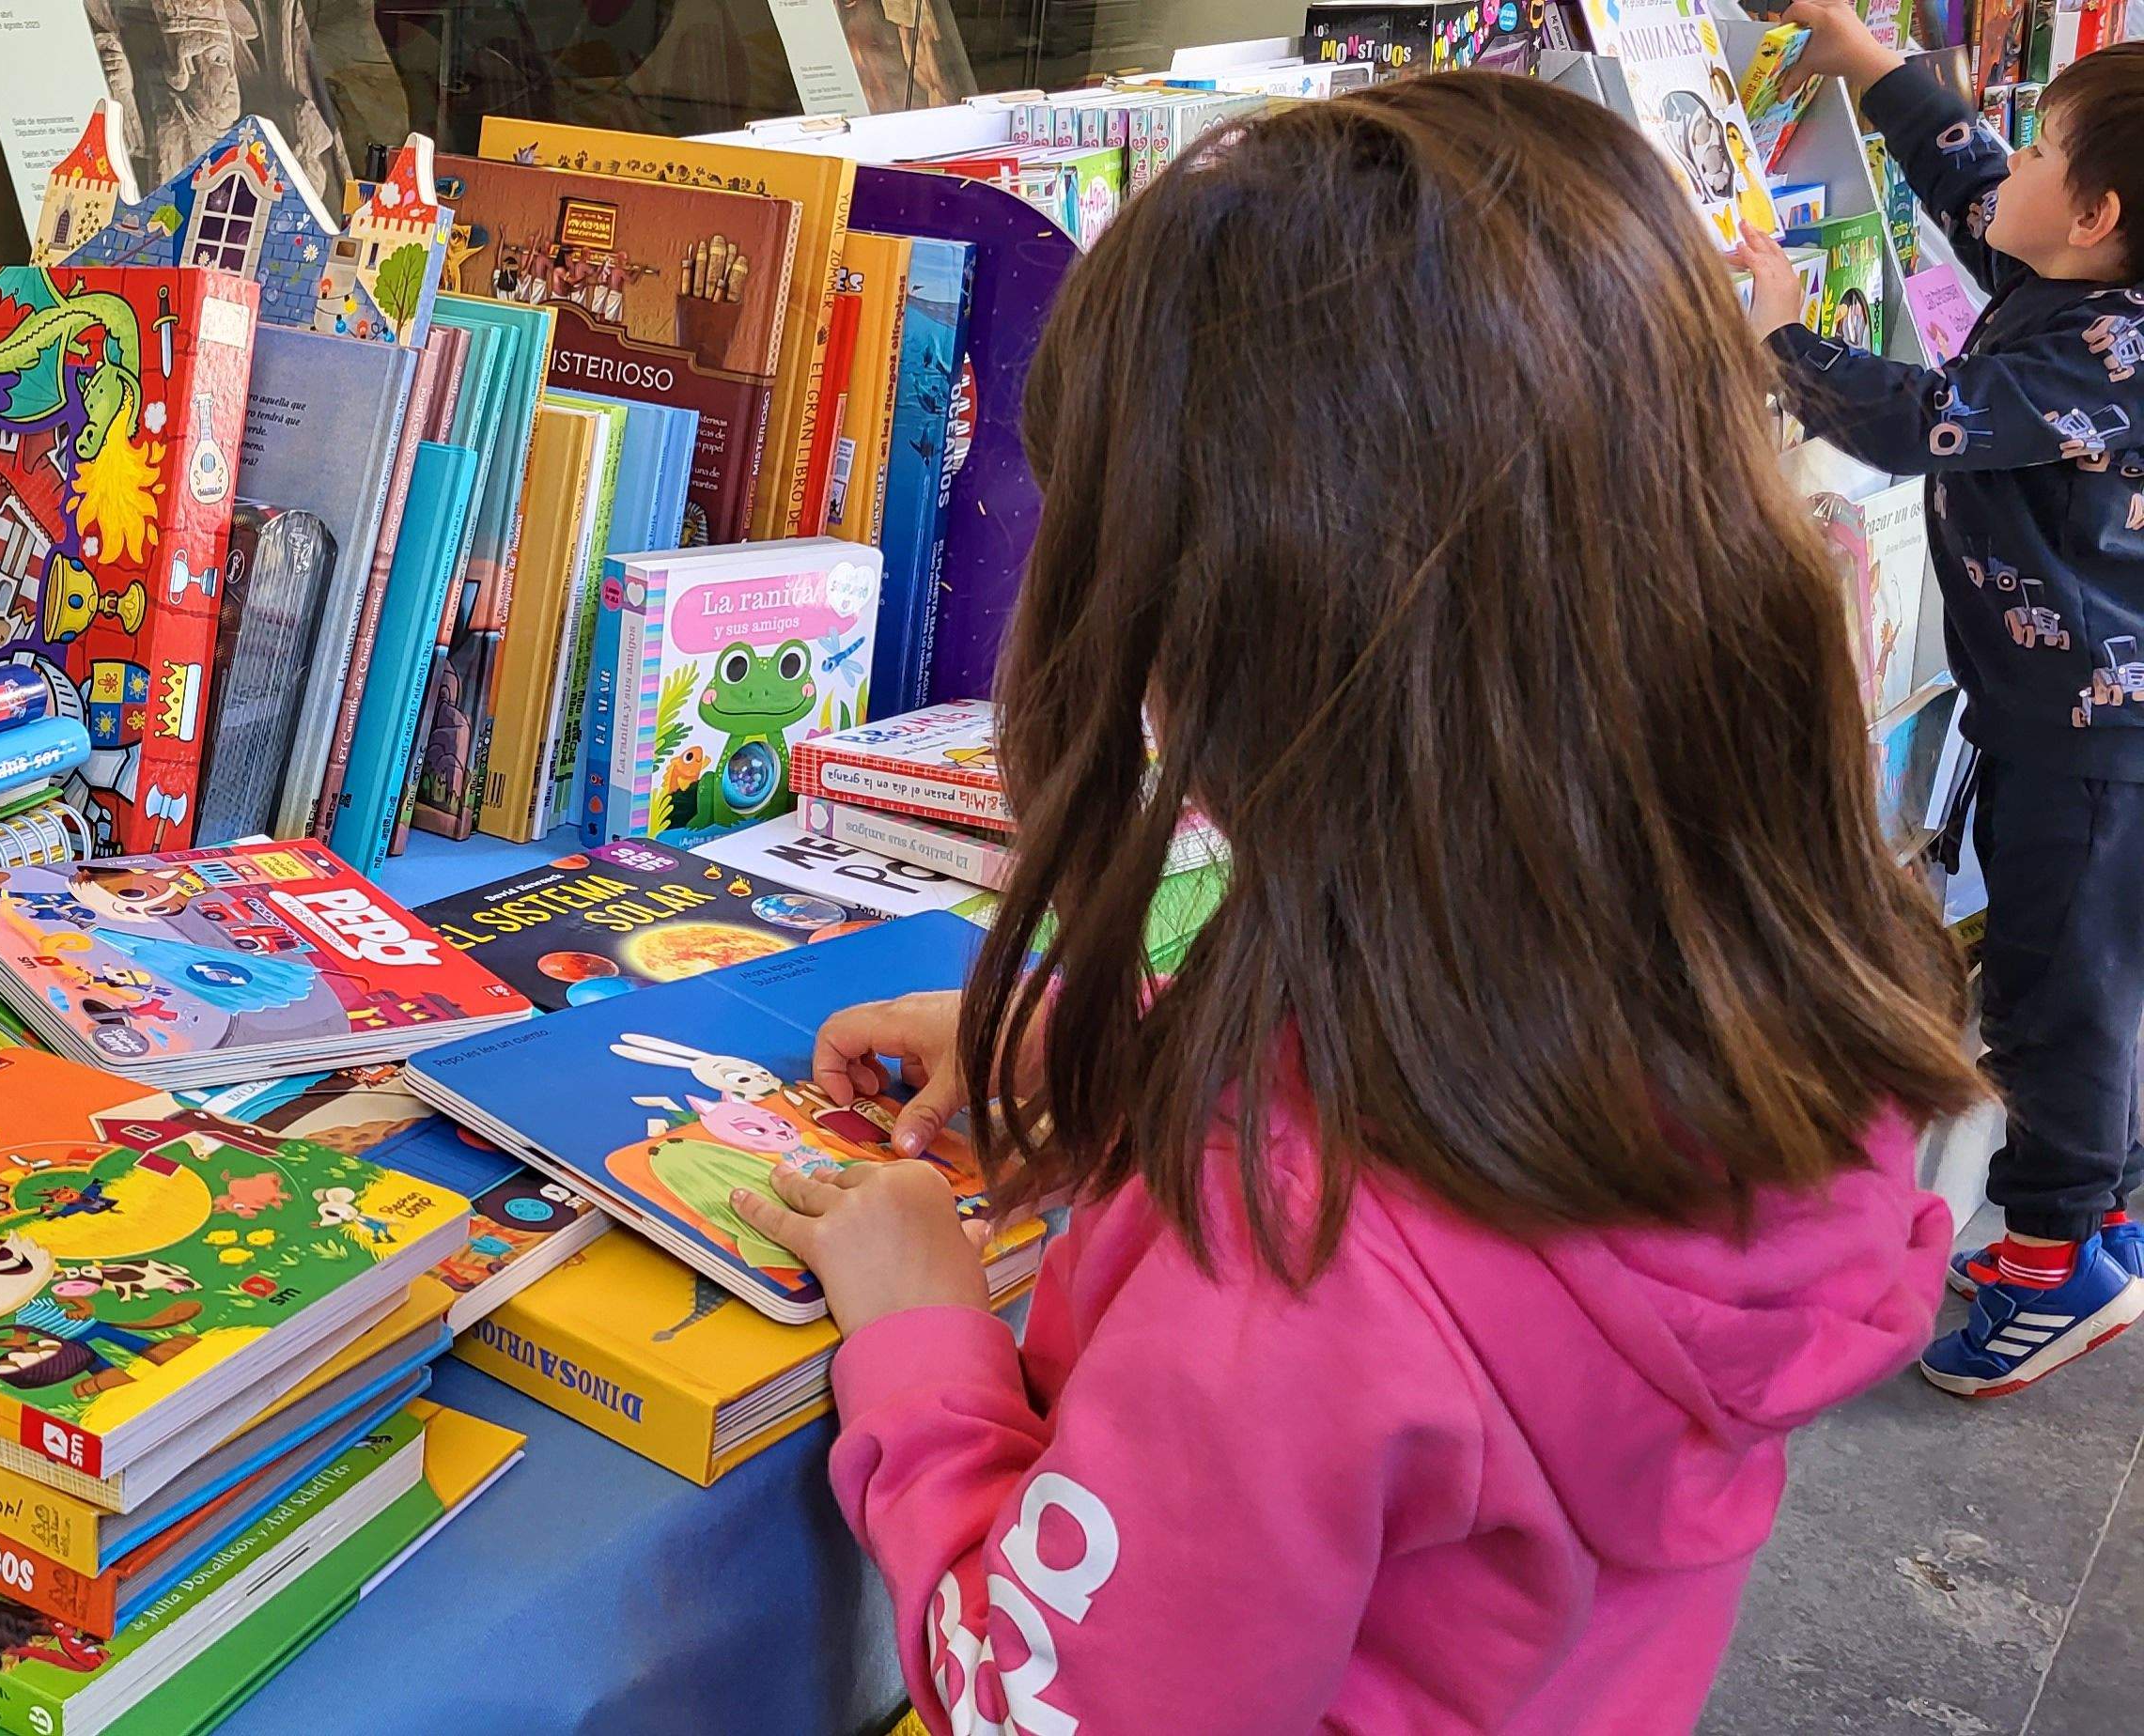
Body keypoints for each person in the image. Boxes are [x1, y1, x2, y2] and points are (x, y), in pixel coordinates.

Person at [729, 74, 1984, 1734]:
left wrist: (920, 1344)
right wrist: (1091, 1045)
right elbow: (1443, 1067)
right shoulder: (1768, 998)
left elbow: (1036, 1701)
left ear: (1246, 640)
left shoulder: (1292, 1270)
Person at [1735, 9, 2144, 1397]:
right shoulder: (2076, 281)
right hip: (2070, 725)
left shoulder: (2098, 356)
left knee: (2055, 1003)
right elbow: (1967, 179)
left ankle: (2053, 1263)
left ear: (2092, 216)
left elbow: (1922, 420)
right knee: (2091, 990)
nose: (2004, 167)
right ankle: (2103, 1215)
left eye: (2040, 147)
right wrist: (1861, 49)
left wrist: (1783, 329)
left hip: (2092, 747)